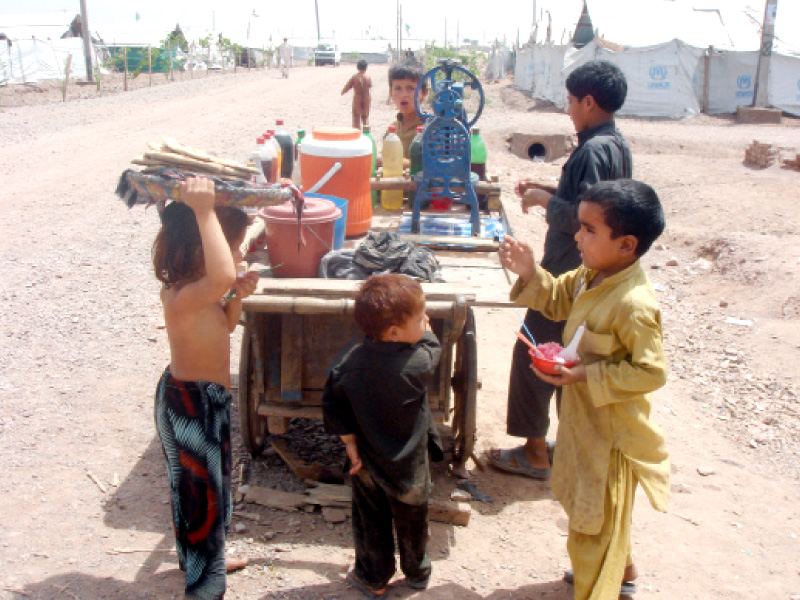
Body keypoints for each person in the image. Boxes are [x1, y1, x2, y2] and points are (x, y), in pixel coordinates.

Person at [499, 179, 669, 600]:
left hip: (609, 436)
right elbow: (556, 296)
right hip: (581, 422)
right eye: (580, 226)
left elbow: (650, 373)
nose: (577, 236)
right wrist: (529, 272)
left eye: (590, 230)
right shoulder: (591, 276)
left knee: (591, 525)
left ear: (627, 245)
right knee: (595, 508)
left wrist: (583, 376)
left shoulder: (634, 305)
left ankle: (600, 588)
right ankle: (623, 572)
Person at [489, 60, 632, 479]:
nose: (568, 110)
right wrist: (550, 188)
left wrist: (542, 200)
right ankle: (566, 444)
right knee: (570, 356)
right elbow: (598, 200)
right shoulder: (615, 144)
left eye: (571, 102)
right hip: (592, 271)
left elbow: (588, 216)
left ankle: (535, 453)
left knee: (535, 353)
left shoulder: (592, 149)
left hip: (570, 270)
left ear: (589, 102)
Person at [152, 177, 259, 600]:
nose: (236, 258)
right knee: (202, 497)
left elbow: (227, 324)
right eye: (232, 247)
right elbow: (223, 274)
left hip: (206, 403)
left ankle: (202, 557)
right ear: (201, 250)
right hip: (189, 404)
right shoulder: (181, 296)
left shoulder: (203, 294)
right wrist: (204, 210)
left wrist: (237, 297)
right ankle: (205, 586)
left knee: (206, 489)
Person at [322, 273, 443, 598]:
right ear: (393, 332)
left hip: (368, 463)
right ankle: (417, 574)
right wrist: (429, 335)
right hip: (409, 466)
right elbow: (433, 351)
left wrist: (350, 446)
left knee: (370, 522)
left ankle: (372, 578)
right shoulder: (417, 363)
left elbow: (335, 406)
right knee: (413, 522)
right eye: (419, 318)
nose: (424, 321)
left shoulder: (348, 364)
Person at [384, 60, 428, 167]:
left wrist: (399, 162)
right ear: (391, 92)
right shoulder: (392, 128)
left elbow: (433, 168)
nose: (404, 95)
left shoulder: (430, 129)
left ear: (424, 93)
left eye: (410, 88)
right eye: (398, 88)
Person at [341, 59, 373, 130]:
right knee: (365, 117)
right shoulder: (368, 77)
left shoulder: (354, 77)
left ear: (357, 67)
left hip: (357, 99)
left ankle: (356, 133)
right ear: (366, 68)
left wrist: (343, 92)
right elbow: (370, 85)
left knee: (356, 117)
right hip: (366, 99)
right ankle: (366, 134)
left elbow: (348, 86)